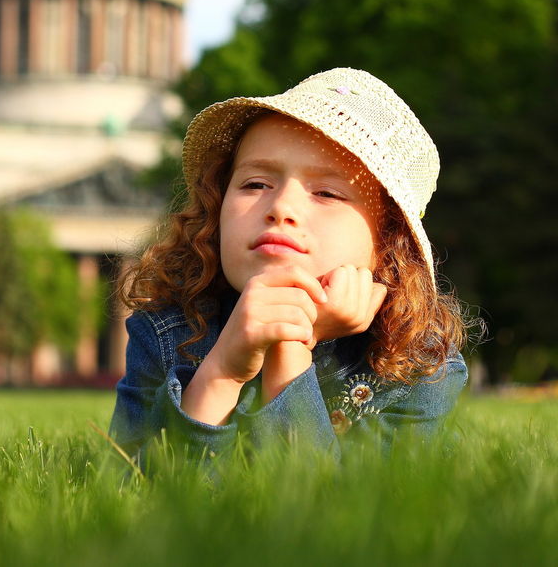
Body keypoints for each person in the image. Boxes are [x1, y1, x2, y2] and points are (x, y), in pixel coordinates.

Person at [110, 68, 469, 462]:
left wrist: (292, 346)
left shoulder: (420, 364)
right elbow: (140, 495)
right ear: (216, 210)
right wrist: (222, 373)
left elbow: (337, 514)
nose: (282, 207)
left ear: (387, 244)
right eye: (255, 184)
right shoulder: (165, 330)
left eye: (327, 193)